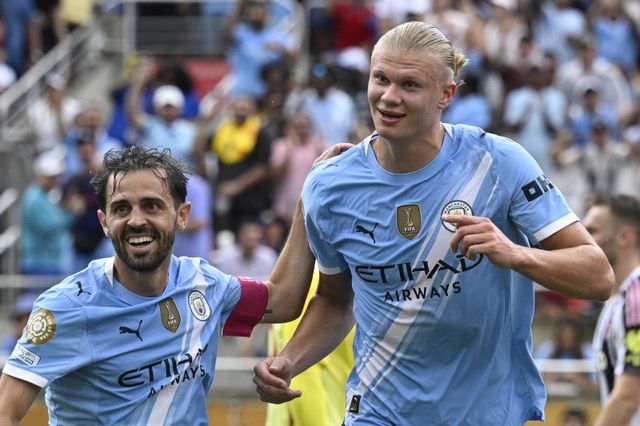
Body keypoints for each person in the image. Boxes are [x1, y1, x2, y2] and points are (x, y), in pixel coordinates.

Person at [253, 22, 614, 424]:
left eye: (409, 85)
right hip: (378, 412)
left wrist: (515, 254)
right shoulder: (330, 185)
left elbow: (598, 276)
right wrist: (289, 360)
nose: (389, 97)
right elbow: (336, 300)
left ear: (446, 94)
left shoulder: (498, 163)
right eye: (381, 79)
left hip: (484, 413)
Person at [0, 145, 320, 425]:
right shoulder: (66, 307)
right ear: (104, 222)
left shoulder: (205, 284)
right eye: (121, 208)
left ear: (182, 215)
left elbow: (284, 299)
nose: (136, 220)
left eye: (151, 205)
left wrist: (309, 198)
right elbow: (5, 412)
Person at [584, 195, 640, 425]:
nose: (583, 240)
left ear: (624, 237)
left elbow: (628, 398)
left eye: (592, 231)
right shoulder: (617, 300)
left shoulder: (636, 299)